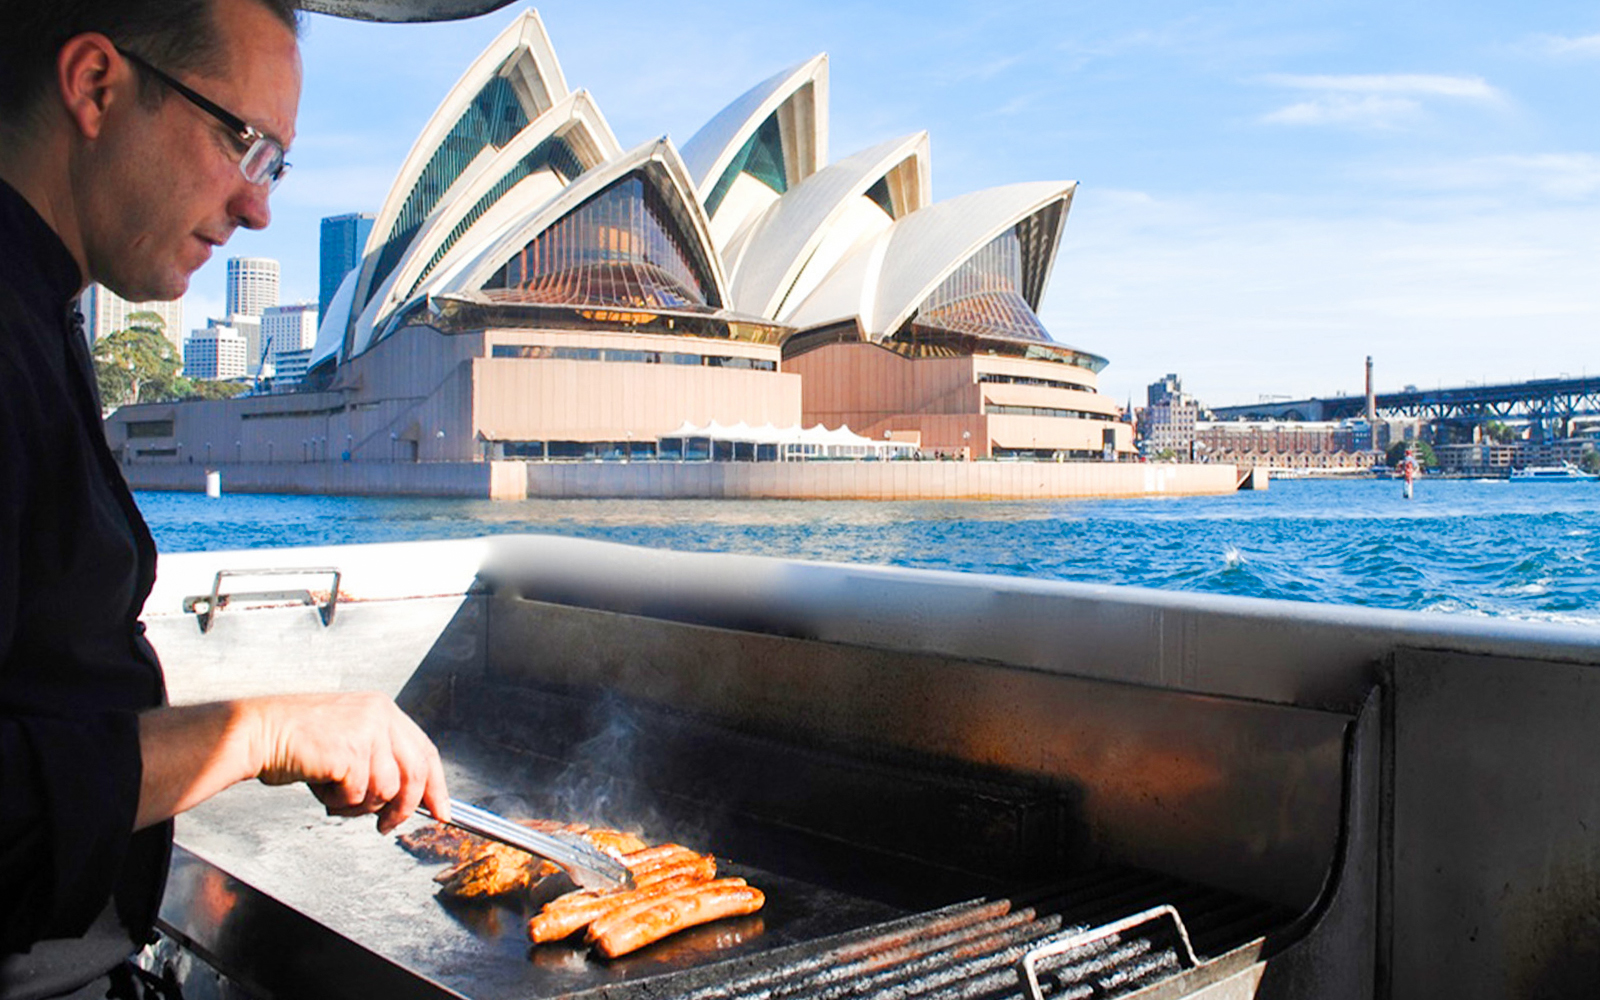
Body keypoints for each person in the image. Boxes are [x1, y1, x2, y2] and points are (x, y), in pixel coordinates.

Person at [0, 2, 451, 996]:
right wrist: (264, 729)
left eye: (276, 165)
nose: (258, 210)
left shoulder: (42, 310)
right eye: (241, 141)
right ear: (94, 86)